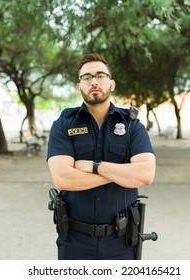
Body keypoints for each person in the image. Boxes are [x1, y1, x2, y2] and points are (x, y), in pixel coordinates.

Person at [46, 53, 156, 260]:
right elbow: (63, 179)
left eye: (100, 76)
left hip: (122, 241)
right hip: (75, 241)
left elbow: (145, 175)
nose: (94, 81)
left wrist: (94, 166)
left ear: (111, 84)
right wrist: (120, 173)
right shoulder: (64, 125)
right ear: (79, 87)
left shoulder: (132, 126)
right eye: (86, 77)